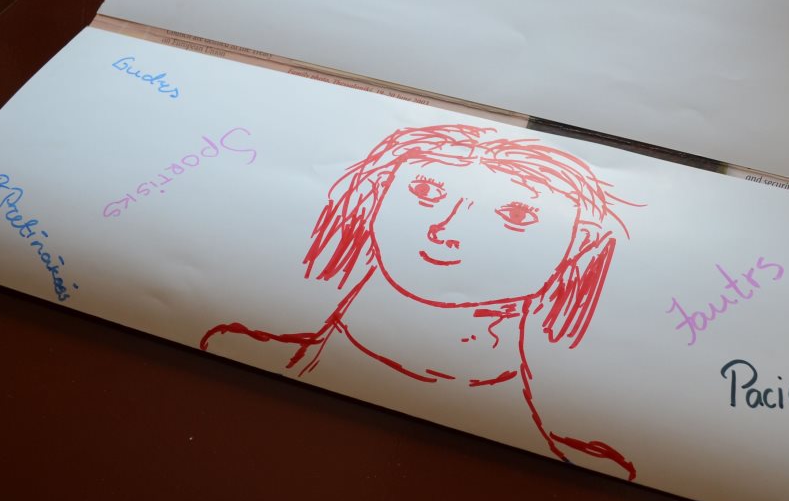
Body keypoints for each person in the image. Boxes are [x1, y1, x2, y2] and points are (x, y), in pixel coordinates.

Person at [202, 123, 638, 478]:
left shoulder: (592, 472)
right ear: (377, 194)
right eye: (427, 192)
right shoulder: (228, 355)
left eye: (517, 214)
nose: (446, 229)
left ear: (579, 245)